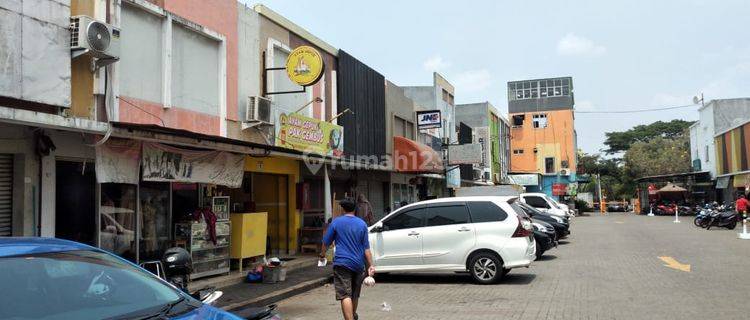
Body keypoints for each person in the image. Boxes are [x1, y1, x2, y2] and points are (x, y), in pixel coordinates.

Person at [320, 198, 375, 320]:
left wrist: (322, 254)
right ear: (355, 208)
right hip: (358, 264)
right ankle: (353, 316)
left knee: (345, 295)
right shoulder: (362, 224)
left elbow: (326, 242)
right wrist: (371, 265)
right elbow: (366, 248)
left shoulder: (336, 222)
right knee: (354, 294)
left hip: (342, 263)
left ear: (343, 209)